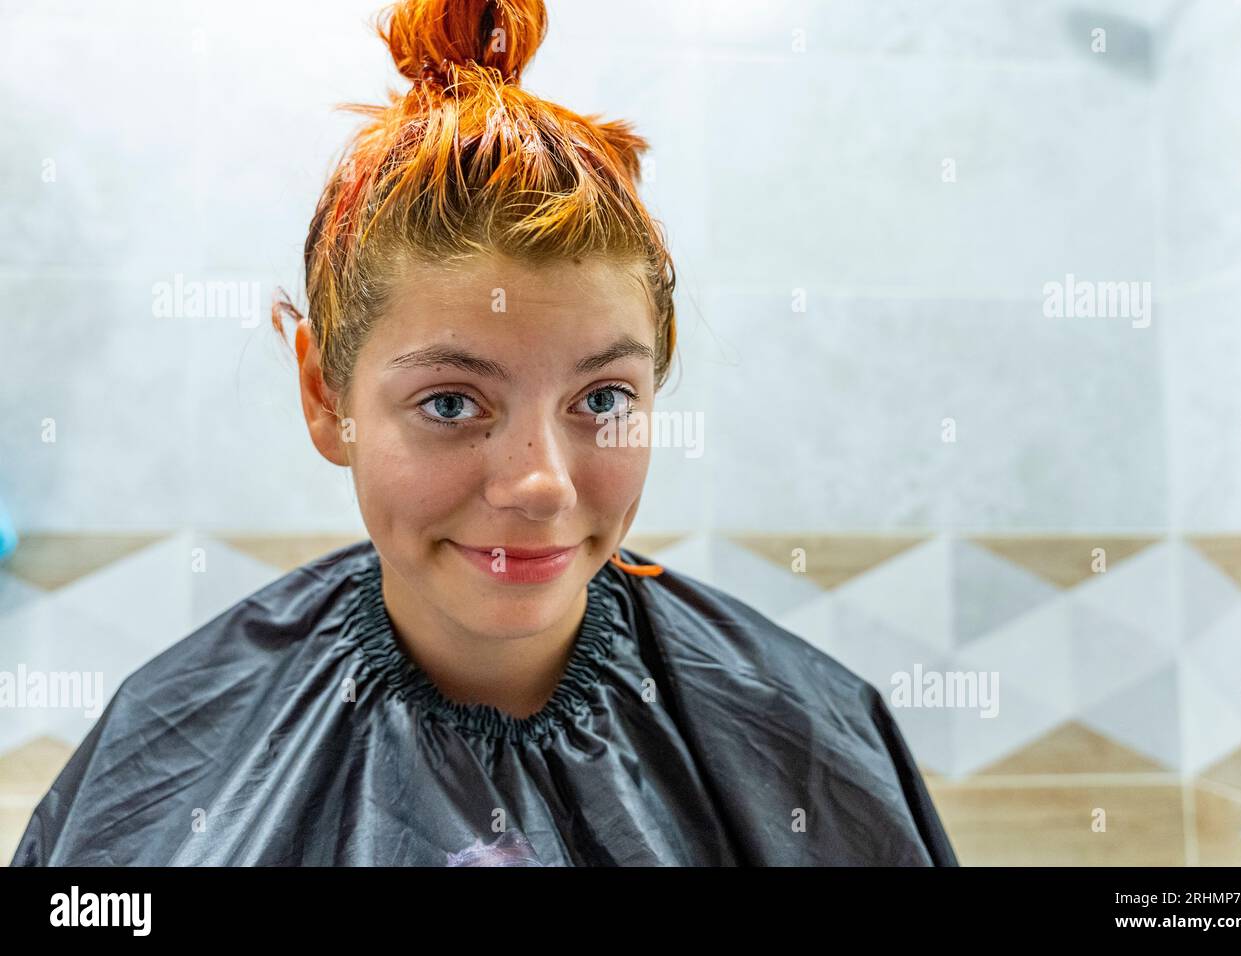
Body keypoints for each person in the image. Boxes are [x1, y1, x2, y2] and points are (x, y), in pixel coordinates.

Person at [11, 0, 958, 867]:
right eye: (452, 404)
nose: (540, 484)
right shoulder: (172, 747)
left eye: (602, 400)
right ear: (322, 393)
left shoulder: (807, 737)